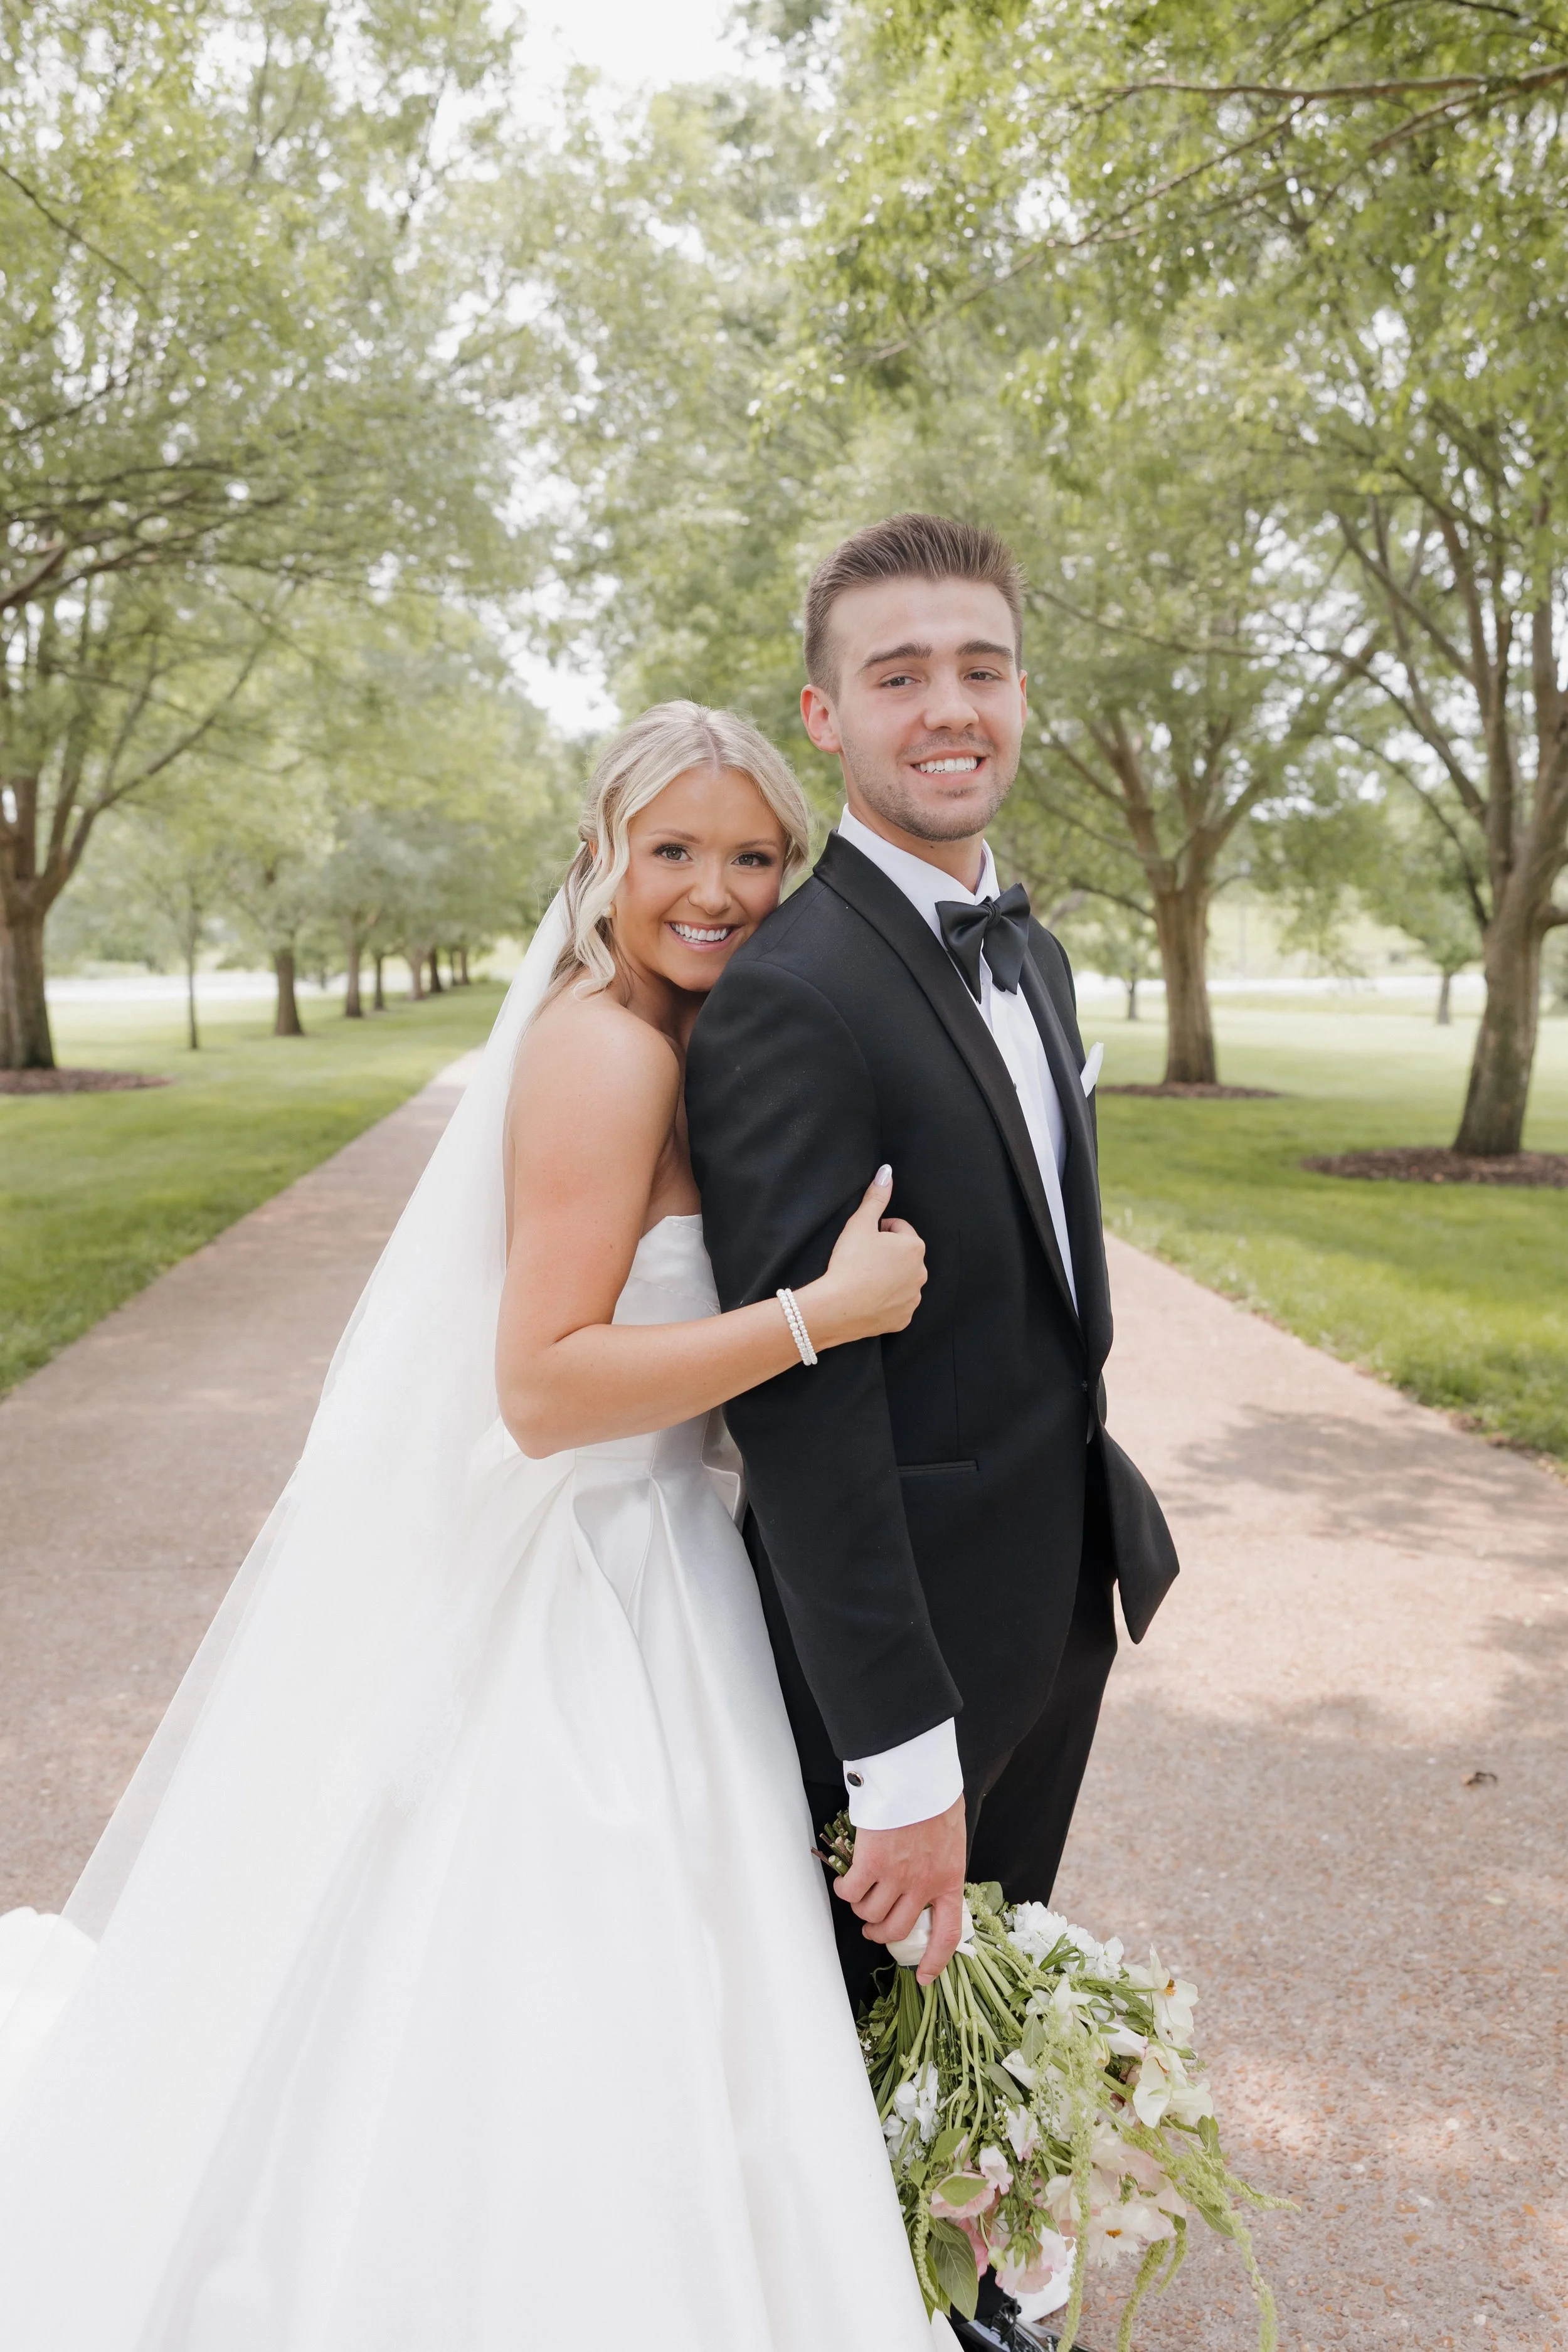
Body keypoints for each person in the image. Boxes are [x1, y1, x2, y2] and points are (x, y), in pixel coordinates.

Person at [0, 704, 936, 2351]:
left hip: (663, 1559)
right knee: (549, 1984)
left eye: (749, 855)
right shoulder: (607, 1048)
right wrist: (819, 1317)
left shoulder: (688, 1033)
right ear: (599, 855)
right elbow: (543, 1387)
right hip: (584, 1577)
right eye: (671, 851)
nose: (711, 887)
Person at [686, 516, 1179, 2332]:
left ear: (1021, 692)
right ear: (824, 714)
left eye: (977, 666)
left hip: (1050, 1590)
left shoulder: (1029, 956)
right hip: (892, 1652)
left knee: (975, 1996)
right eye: (897, 674)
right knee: (852, 2029)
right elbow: (798, 1402)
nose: (946, 705)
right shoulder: (792, 997)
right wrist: (895, 1758)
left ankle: (963, 2280)